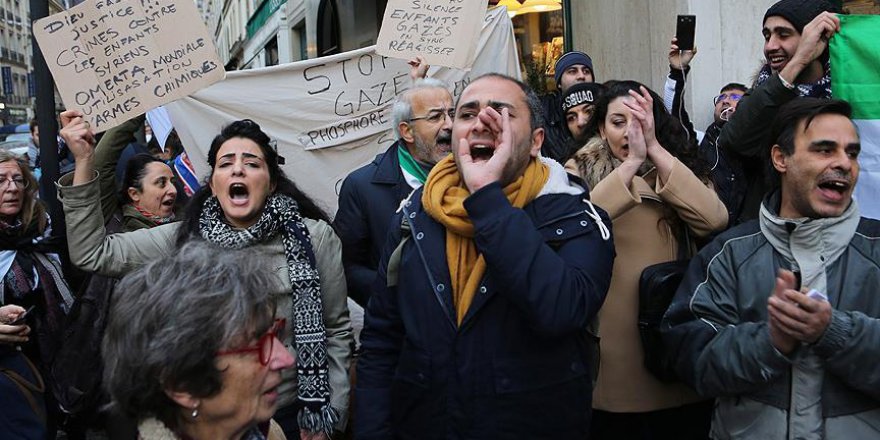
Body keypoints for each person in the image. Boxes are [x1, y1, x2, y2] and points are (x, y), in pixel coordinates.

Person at [57, 116, 352, 440]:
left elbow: (336, 330)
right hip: (209, 419)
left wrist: (329, 416)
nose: (238, 169)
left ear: (270, 182)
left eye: (252, 163)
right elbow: (91, 253)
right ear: (214, 184)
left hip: (298, 414)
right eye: (226, 163)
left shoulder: (315, 239)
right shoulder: (183, 239)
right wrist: (84, 160)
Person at [355, 73, 615, 439]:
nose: (482, 122)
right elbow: (382, 342)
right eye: (468, 113)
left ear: (536, 141)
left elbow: (562, 308)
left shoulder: (576, 217)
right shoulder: (413, 217)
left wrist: (487, 198)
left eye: (501, 113)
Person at [663, 98, 880, 439]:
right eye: (825, 150)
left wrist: (835, 332)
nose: (843, 164)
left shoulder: (876, 248)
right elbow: (693, 358)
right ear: (781, 158)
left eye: (851, 153)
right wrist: (771, 341)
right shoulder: (728, 254)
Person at [564, 80, 727, 439]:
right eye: (617, 122)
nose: (628, 131)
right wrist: (632, 163)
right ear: (601, 129)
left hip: (674, 339)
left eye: (640, 120)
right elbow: (578, 222)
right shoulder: (577, 172)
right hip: (614, 350)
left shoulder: (679, 166)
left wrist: (653, 150)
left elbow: (714, 218)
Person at [103, 240, 294, 440]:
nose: (285, 359)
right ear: (182, 385)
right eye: (257, 344)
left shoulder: (269, 432)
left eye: (274, 334)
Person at [717, 0, 841, 222]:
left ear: (818, 39)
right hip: (772, 229)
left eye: (783, 34)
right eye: (767, 36)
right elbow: (733, 138)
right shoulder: (763, 94)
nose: (770, 46)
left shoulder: (847, 92)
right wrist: (798, 62)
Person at [334, 78, 453, 307]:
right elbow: (347, 269)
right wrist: (402, 293)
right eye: (436, 116)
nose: (449, 124)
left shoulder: (474, 177)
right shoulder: (362, 187)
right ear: (407, 131)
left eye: (452, 114)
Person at [0, 150, 74, 438]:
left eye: (18, 179)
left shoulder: (43, 229)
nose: (12, 187)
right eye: (2, 180)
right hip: (10, 373)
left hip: (51, 360)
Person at [663, 37, 749, 226]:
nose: (725, 101)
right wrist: (677, 71)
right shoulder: (700, 142)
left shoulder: (757, 140)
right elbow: (673, 115)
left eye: (735, 97)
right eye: (721, 97)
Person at [540, 50, 596, 163]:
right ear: (559, 83)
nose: (581, 76)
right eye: (572, 71)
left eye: (586, 71)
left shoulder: (604, 104)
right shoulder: (544, 111)